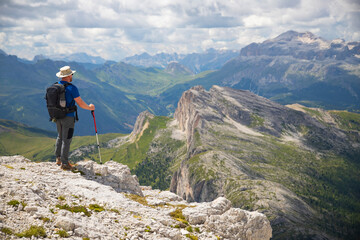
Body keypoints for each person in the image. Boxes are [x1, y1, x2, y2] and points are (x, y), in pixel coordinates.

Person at [55, 66, 95, 170]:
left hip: (57, 116)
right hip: (68, 117)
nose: (72, 76)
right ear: (68, 76)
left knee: (60, 136)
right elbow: (80, 103)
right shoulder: (72, 88)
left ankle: (58, 158)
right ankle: (64, 163)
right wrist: (90, 107)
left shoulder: (56, 86)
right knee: (66, 139)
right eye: (71, 74)